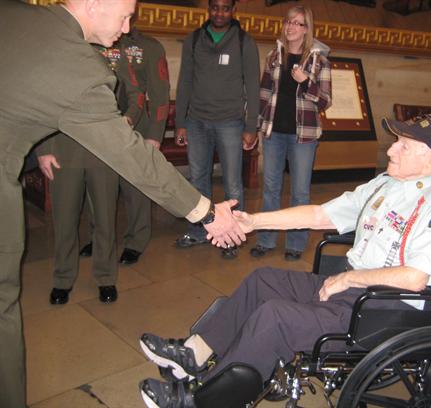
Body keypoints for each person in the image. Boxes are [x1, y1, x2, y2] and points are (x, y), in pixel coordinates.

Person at [0, 0, 246, 406]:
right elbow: (134, 158)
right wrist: (206, 212)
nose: (129, 26)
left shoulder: (15, 14)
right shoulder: (79, 67)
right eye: (125, 15)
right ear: (94, 4)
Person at [138, 114, 431, 407]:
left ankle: (199, 402)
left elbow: (415, 277)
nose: (391, 150)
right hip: (352, 290)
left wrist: (349, 278)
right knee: (262, 280)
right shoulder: (385, 185)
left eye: (403, 145)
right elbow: (320, 214)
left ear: (430, 157)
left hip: (382, 308)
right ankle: (193, 355)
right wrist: (254, 222)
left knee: (275, 317)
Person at [173, 0, 260, 259]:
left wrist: (251, 126)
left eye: (225, 8)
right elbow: (185, 81)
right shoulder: (194, 39)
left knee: (233, 183)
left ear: (233, 10)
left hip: (230, 122)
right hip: (197, 121)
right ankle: (199, 231)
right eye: (215, 7)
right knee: (198, 179)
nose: (219, 13)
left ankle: (232, 237)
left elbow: (252, 86)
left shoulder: (244, 42)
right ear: (208, 9)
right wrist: (181, 122)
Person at [80, 27, 171, 267]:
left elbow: (160, 93)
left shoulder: (148, 47)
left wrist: (155, 135)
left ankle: (136, 240)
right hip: (98, 128)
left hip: (136, 128)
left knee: (136, 189)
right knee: (97, 186)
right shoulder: (91, 42)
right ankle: (98, 236)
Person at [251, 5, 332, 261]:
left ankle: (296, 244)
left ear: (307, 29)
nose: (291, 27)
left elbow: (325, 101)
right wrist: (256, 126)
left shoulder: (319, 61)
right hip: (274, 133)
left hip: (303, 136)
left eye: (298, 23)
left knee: (300, 192)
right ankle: (265, 240)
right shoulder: (274, 56)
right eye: (288, 22)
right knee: (270, 189)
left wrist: (305, 82)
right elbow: (264, 95)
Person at [36, 130, 121, 304]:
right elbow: (41, 113)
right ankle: (62, 278)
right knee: (64, 221)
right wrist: (43, 149)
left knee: (105, 219)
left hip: (104, 149)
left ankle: (106, 277)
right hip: (62, 149)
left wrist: (125, 127)